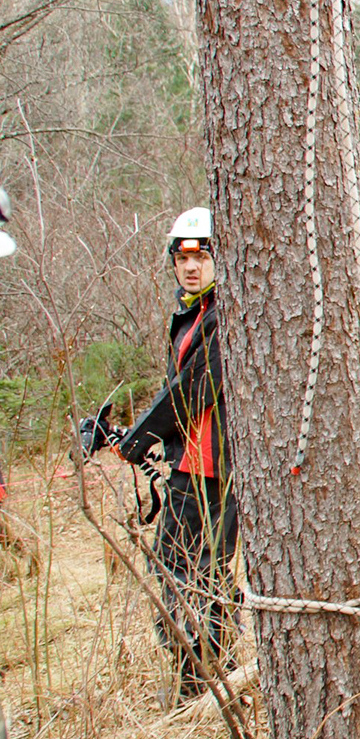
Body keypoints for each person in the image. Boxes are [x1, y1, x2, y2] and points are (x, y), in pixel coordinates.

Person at [114, 207, 240, 702]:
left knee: (183, 568)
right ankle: (212, 674)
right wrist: (144, 437)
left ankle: (200, 679)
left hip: (214, 471)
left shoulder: (223, 316)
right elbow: (176, 390)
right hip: (191, 466)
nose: (192, 266)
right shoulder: (192, 314)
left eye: (202, 255)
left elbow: (195, 388)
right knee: (200, 570)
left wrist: (141, 437)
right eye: (183, 256)